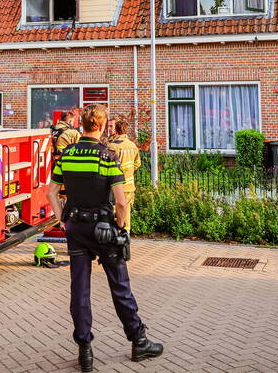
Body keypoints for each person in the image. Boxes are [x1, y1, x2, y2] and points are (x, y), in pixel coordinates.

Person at [46, 104, 163, 372]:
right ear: (101, 125)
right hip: (104, 229)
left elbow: (51, 193)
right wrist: (121, 228)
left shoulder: (67, 155)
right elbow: (121, 203)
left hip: (76, 228)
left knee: (80, 289)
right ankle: (139, 341)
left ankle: (85, 351)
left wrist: (64, 220)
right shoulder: (107, 157)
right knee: (119, 285)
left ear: (84, 124)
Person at [106, 118, 141, 233]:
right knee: (126, 212)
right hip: (129, 185)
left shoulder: (112, 146)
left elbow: (106, 166)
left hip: (115, 185)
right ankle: (126, 237)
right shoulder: (132, 145)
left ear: (116, 131)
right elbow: (137, 164)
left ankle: (114, 236)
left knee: (113, 211)